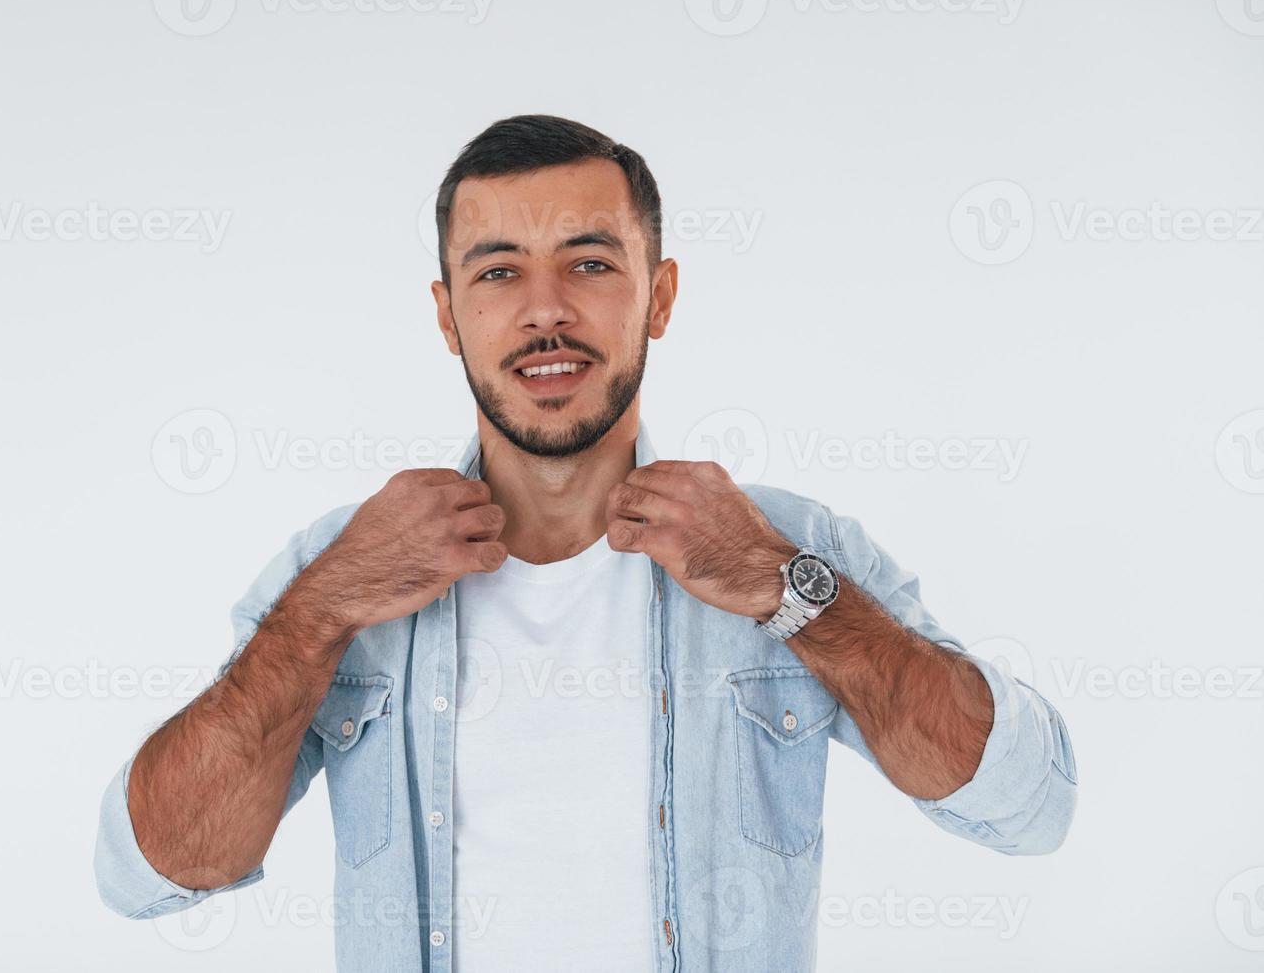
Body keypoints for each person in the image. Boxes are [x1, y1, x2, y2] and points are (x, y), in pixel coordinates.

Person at [94, 114, 1078, 972]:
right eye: (498, 271)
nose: (546, 307)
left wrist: (788, 588)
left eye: (592, 262)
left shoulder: (789, 543)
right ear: (447, 315)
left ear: (660, 295)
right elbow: (150, 870)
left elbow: (1031, 805)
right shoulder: (339, 564)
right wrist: (321, 609)